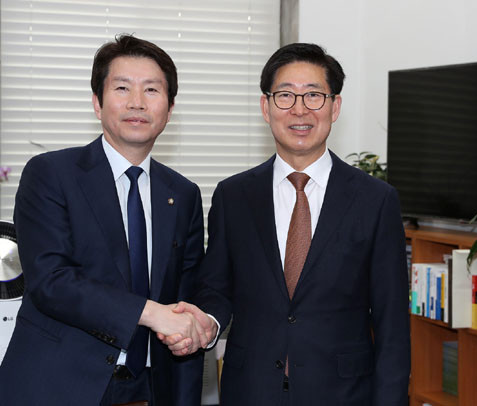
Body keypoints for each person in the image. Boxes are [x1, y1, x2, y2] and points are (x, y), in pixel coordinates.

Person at [164, 43, 411, 405]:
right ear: (266, 107)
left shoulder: (376, 200)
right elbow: (216, 287)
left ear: (334, 106)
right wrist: (207, 324)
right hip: (250, 390)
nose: (299, 109)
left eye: (313, 95)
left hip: (344, 393)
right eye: (285, 95)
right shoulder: (233, 195)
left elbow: (392, 323)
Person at [0, 34, 209, 406]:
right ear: (97, 102)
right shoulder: (51, 174)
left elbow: (185, 302)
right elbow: (51, 281)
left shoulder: (183, 194)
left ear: (169, 109)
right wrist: (150, 313)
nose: (137, 102)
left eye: (152, 90)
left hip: (151, 387)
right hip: (58, 386)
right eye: (122, 88)